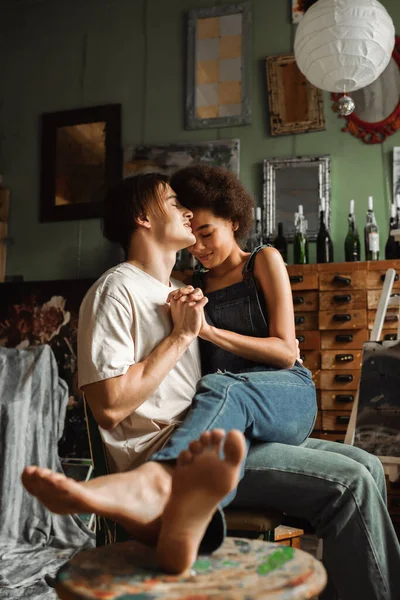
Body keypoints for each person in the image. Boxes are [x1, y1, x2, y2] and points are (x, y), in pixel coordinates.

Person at [23, 170, 400, 599]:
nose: (186, 213)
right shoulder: (116, 290)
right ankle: (158, 482)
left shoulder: (182, 290)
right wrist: (183, 335)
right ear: (142, 217)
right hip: (182, 450)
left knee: (368, 467)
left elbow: (277, 351)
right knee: (352, 483)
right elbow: (109, 407)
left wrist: (197, 330)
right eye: (173, 204)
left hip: (221, 435)